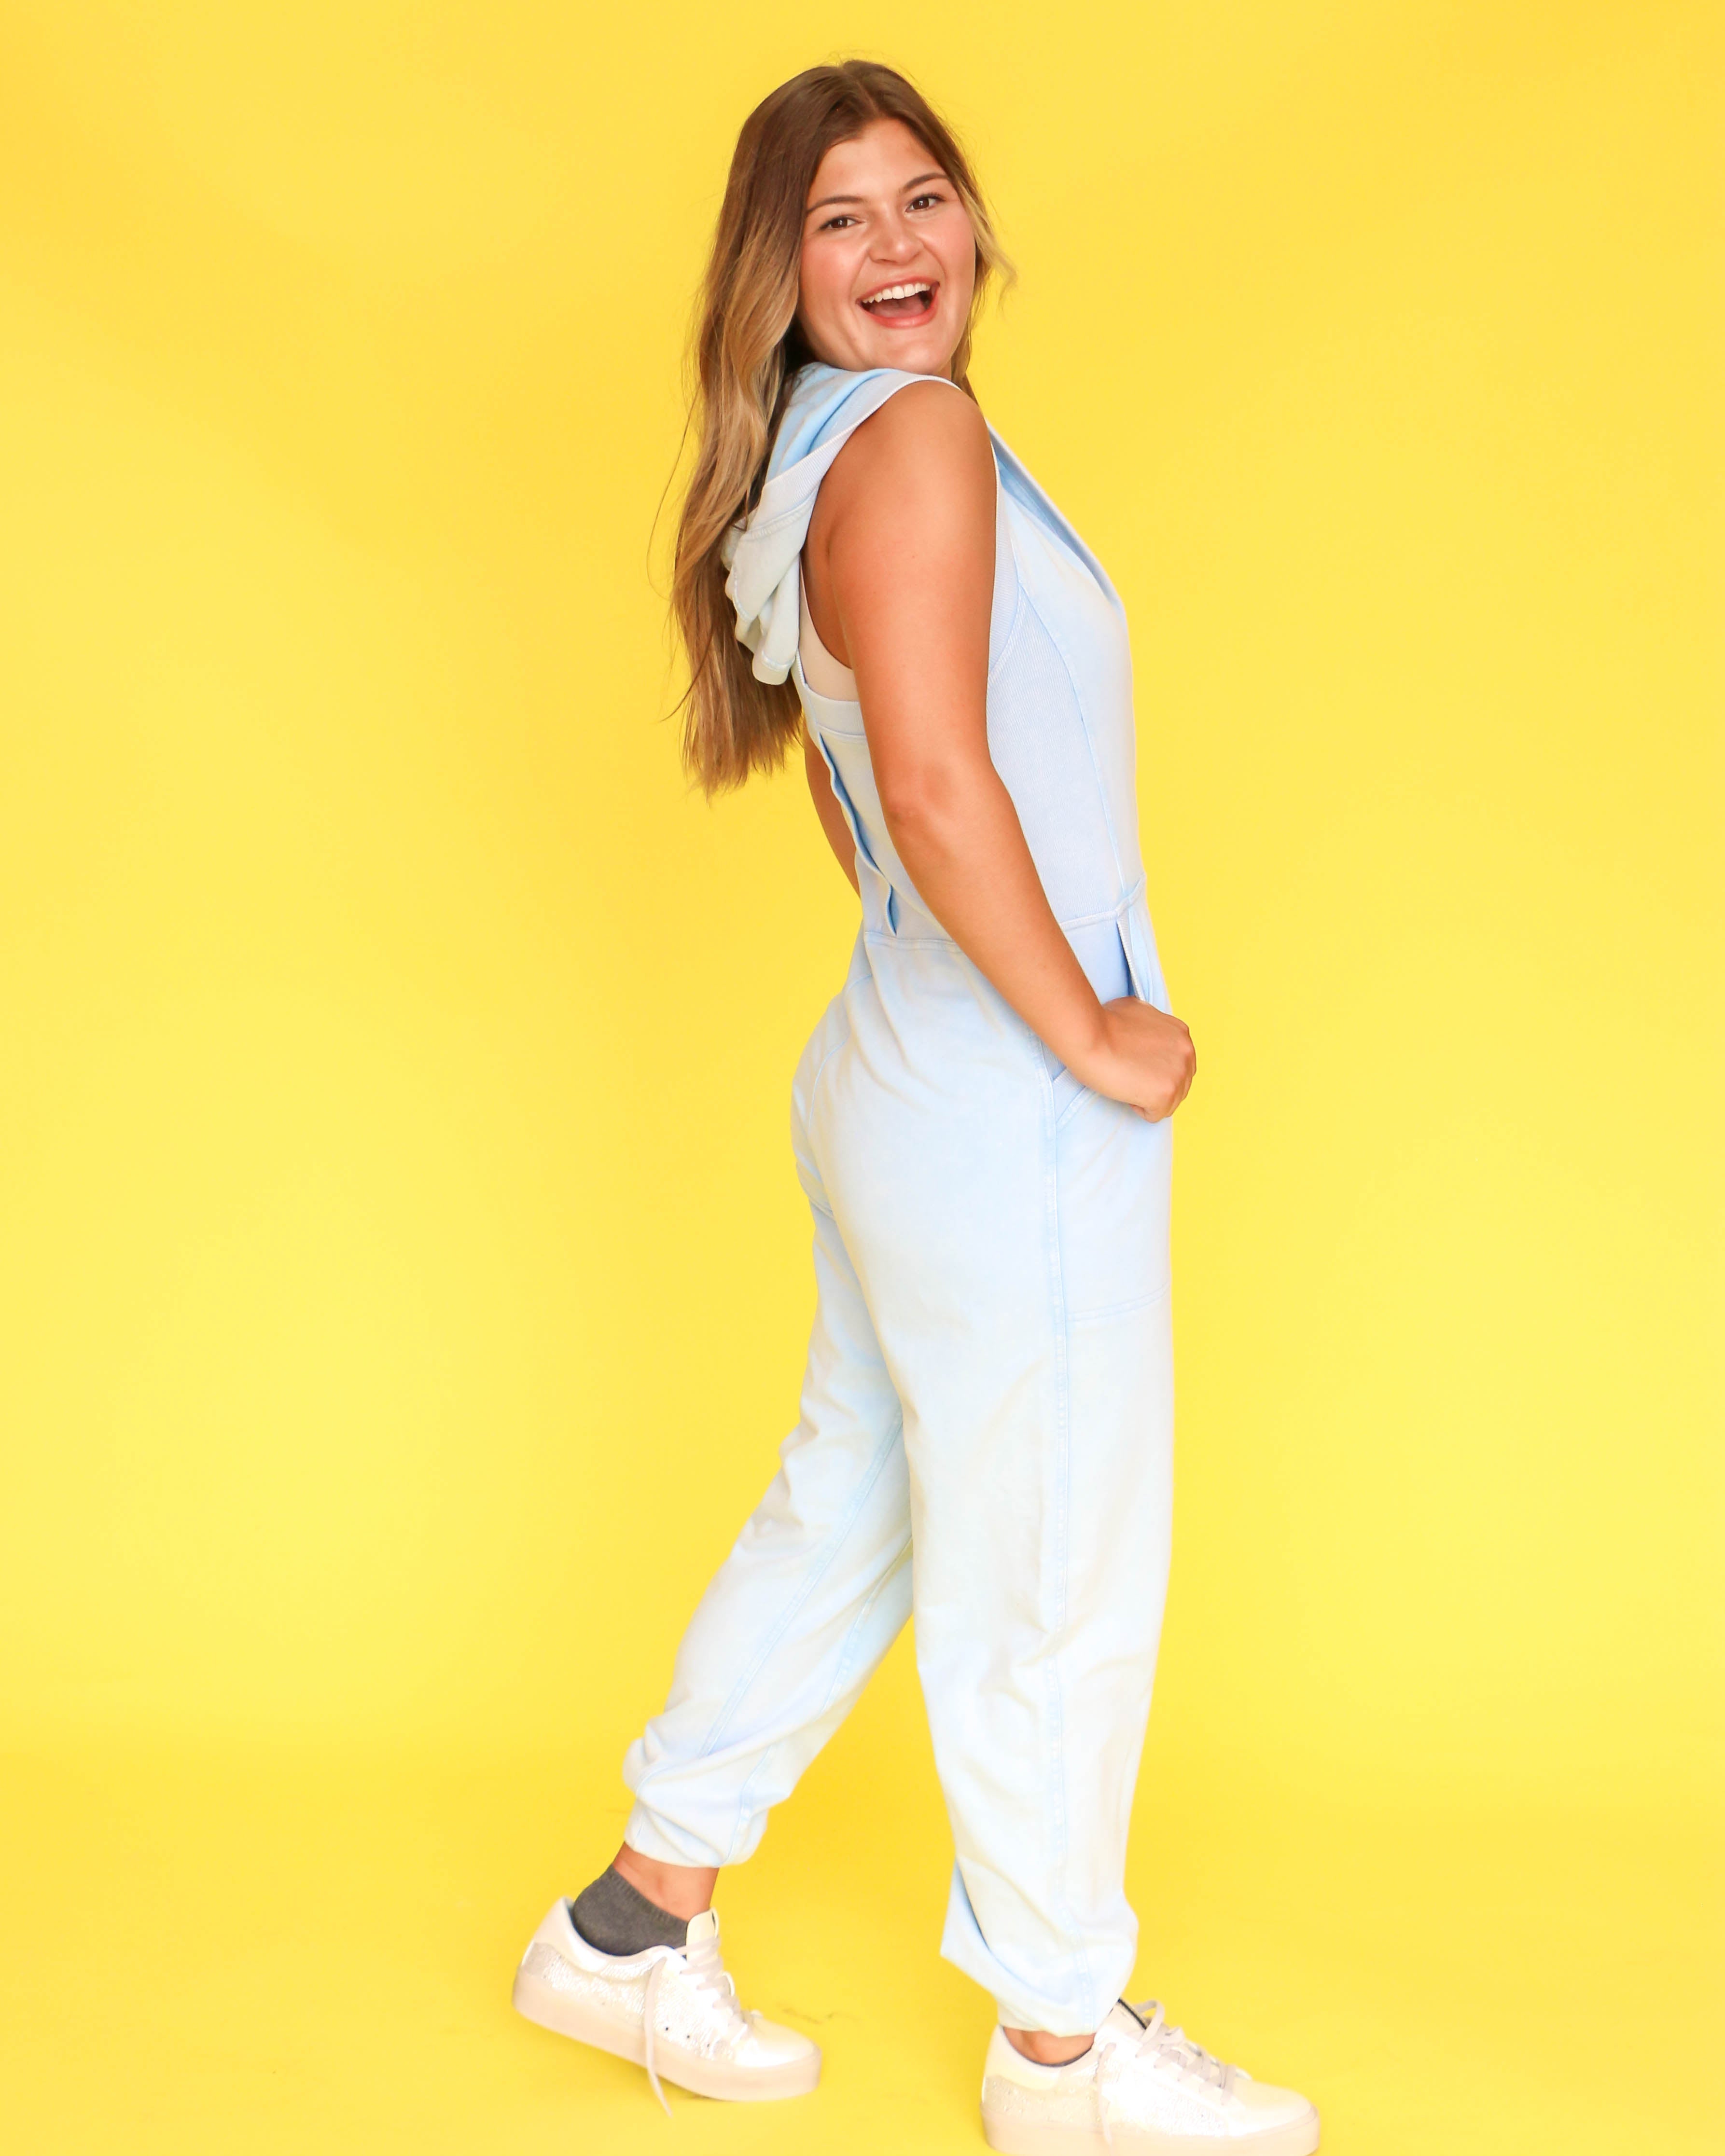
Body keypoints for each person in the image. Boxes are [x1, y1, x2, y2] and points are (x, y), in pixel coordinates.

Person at [511, 60, 1320, 2155]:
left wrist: (955, 966)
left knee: (857, 1498)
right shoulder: (922, 439)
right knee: (1052, 1568)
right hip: (994, 1095)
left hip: (897, 1066)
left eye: (925, 196)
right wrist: (1086, 1028)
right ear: (776, 275)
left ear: (974, 227)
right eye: (840, 217)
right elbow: (938, 786)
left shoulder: (809, 458)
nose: (897, 245)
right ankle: (1060, 2052)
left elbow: (856, 774)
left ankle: (632, 1919)